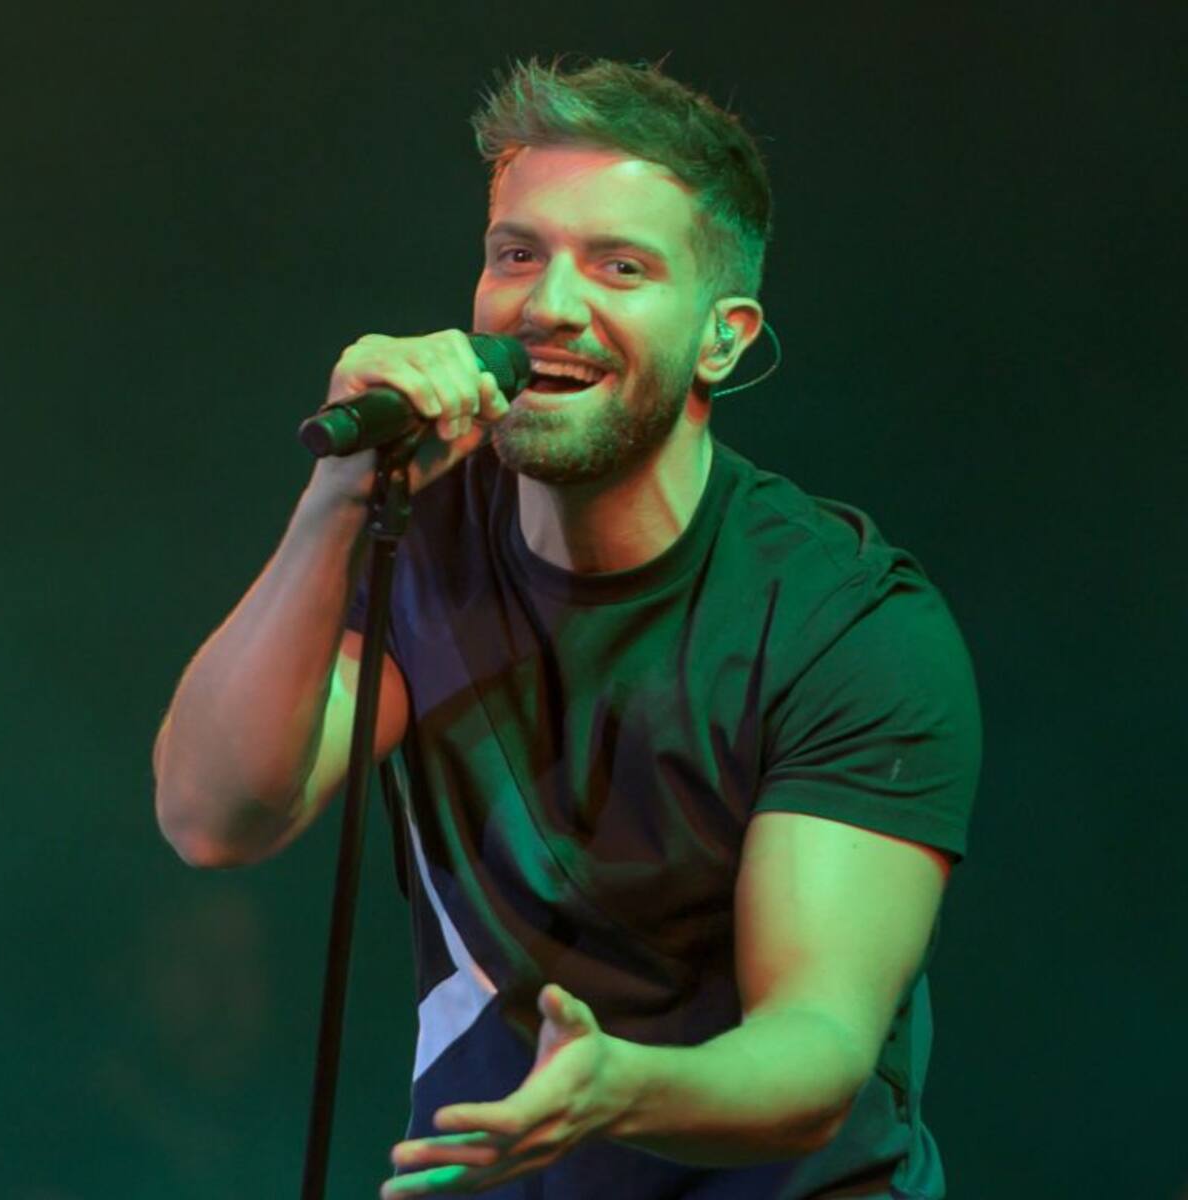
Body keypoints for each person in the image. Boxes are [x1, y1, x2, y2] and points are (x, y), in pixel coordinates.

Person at [153, 54, 981, 1200]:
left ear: (724, 337)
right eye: (517, 254)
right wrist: (335, 503)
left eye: (619, 266)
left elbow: (818, 1052)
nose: (548, 304)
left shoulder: (847, 624)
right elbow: (214, 817)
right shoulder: (418, 536)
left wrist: (616, 1091)